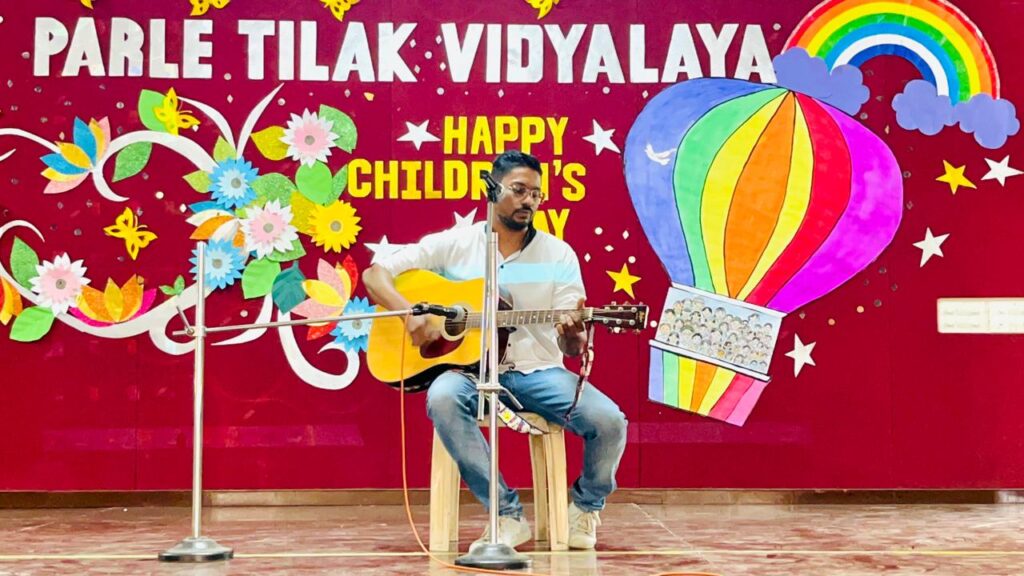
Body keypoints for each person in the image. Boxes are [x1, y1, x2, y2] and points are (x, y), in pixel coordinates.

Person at [363, 150, 627, 551]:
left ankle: (585, 507)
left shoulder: (559, 254)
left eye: (536, 195)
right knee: (443, 397)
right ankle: (505, 515)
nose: (528, 201)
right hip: (469, 372)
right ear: (492, 188)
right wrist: (408, 314)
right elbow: (374, 275)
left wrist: (575, 333)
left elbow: (570, 346)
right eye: (519, 190)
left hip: (537, 371)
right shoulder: (455, 244)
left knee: (609, 421)